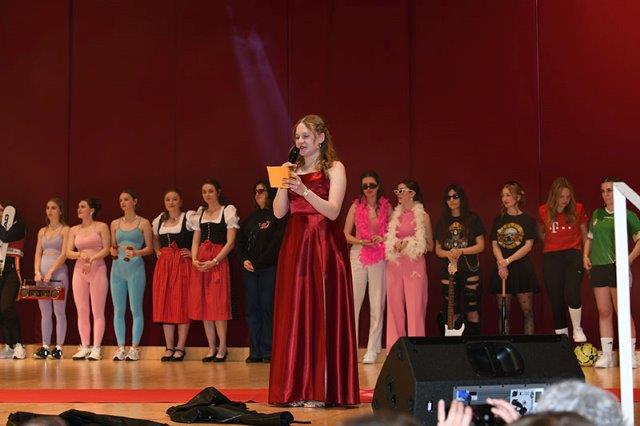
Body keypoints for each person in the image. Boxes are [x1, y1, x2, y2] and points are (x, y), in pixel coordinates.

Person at [268, 114, 359, 407]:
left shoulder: (335, 168)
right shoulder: (290, 169)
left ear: (320, 138)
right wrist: (284, 183)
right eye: (297, 137)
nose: (300, 142)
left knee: (322, 312)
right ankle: (295, 389)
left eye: (305, 136)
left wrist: (303, 190)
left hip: (323, 246)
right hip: (296, 246)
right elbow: (279, 213)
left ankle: (322, 390)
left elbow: (333, 211)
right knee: (296, 313)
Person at [583, 177, 640, 368]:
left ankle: (630, 355)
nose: (605, 194)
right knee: (604, 311)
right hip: (599, 267)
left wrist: (628, 259)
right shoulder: (597, 214)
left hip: (617, 267)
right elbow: (590, 238)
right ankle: (607, 355)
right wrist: (585, 255)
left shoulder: (628, 215)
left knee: (622, 311)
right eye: (603, 191)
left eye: (609, 190)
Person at [343, 171, 391, 363]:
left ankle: (372, 350)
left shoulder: (387, 206)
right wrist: (361, 241)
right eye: (365, 186)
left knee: (377, 303)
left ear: (378, 185)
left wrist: (382, 238)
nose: (369, 189)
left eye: (372, 185)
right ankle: (350, 348)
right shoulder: (356, 206)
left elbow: (393, 233)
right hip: (358, 255)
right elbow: (345, 234)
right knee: (354, 303)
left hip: (379, 256)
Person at [190, 178, 239, 363]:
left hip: (218, 260)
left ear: (218, 192)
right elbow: (196, 240)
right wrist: (194, 259)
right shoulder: (200, 214)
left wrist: (215, 261)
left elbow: (230, 242)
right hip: (202, 261)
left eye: (210, 191)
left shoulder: (227, 211)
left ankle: (223, 347)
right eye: (204, 191)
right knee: (204, 305)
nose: (207, 195)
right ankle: (211, 347)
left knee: (218, 305)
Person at [237, 180, 285, 363]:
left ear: (269, 193)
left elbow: (276, 244)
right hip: (250, 271)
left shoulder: (277, 217)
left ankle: (268, 350)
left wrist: (259, 262)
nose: (257, 194)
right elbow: (240, 243)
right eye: (255, 191)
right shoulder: (250, 219)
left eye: (261, 191)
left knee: (267, 308)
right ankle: (255, 351)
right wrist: (245, 260)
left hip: (268, 269)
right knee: (252, 310)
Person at [537, 177, 588, 341]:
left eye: (567, 196)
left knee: (572, 291)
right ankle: (563, 340)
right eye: (561, 196)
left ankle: (577, 328)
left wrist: (585, 256)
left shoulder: (578, 208)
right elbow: (541, 231)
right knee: (556, 298)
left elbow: (585, 235)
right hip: (552, 257)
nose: (565, 200)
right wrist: (551, 242)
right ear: (554, 196)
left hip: (573, 254)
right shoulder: (543, 210)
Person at [385, 180, 433, 348]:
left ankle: (416, 350)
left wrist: (410, 243)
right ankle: (395, 349)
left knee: (415, 309)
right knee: (394, 309)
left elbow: (430, 246)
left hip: (415, 267)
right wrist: (392, 244)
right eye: (397, 191)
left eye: (402, 191)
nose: (398, 194)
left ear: (412, 193)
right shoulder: (394, 216)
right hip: (395, 265)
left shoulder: (423, 216)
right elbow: (389, 239)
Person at [434, 184, 485, 336]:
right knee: (451, 308)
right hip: (448, 269)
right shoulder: (442, 221)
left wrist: (461, 251)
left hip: (470, 268)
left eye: (455, 196)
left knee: (472, 307)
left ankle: (473, 343)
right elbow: (437, 250)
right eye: (448, 197)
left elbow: (481, 245)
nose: (452, 200)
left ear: (461, 198)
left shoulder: (473, 218)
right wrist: (448, 253)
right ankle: (453, 343)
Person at [109, 190, 154, 361]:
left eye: (126, 199)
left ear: (135, 201)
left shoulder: (143, 223)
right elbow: (113, 246)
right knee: (118, 309)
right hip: (117, 269)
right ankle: (121, 347)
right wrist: (112, 251)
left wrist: (136, 253)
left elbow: (150, 248)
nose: (123, 202)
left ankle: (134, 348)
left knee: (135, 309)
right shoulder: (114, 223)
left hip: (135, 269)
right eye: (120, 200)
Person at [152, 188, 195, 362]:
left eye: (175, 199)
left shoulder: (188, 218)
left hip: (182, 265)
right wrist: (157, 250)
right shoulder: (159, 221)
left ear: (180, 201)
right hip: (164, 266)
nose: (171, 202)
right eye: (168, 199)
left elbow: (199, 236)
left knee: (181, 303)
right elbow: (154, 238)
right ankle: (169, 346)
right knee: (165, 304)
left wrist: (193, 253)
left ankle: (180, 347)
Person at [490, 181, 538, 335]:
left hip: (522, 268)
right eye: (503, 195)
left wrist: (508, 261)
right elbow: (495, 244)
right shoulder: (498, 220)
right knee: (504, 313)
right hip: (502, 269)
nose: (505, 199)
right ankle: (504, 345)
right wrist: (501, 263)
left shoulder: (528, 220)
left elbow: (528, 246)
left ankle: (529, 345)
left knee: (527, 311)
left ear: (518, 197)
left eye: (508, 195)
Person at [66, 198, 111, 360]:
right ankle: (85, 346)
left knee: (97, 311)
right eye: (78, 206)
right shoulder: (74, 230)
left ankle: (96, 348)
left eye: (83, 206)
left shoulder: (101, 227)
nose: (79, 209)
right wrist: (80, 254)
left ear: (91, 210)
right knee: (82, 311)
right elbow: (68, 252)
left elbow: (106, 249)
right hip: (79, 271)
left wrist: (91, 259)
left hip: (97, 269)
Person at [33, 198, 70, 359]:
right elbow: (38, 253)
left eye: (53, 208)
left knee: (59, 312)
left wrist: (51, 271)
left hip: (58, 274)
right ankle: (45, 346)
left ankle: (59, 347)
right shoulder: (42, 231)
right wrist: (37, 272)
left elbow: (64, 254)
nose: (50, 211)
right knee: (45, 313)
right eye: (47, 207)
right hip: (42, 277)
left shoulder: (65, 230)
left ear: (60, 211)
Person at [0, 200, 27, 360]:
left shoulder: (20, 226)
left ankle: (19, 344)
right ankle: (9, 345)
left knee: (6, 307)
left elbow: (5, 236)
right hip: (0, 269)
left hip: (12, 271)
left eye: (2, 210)